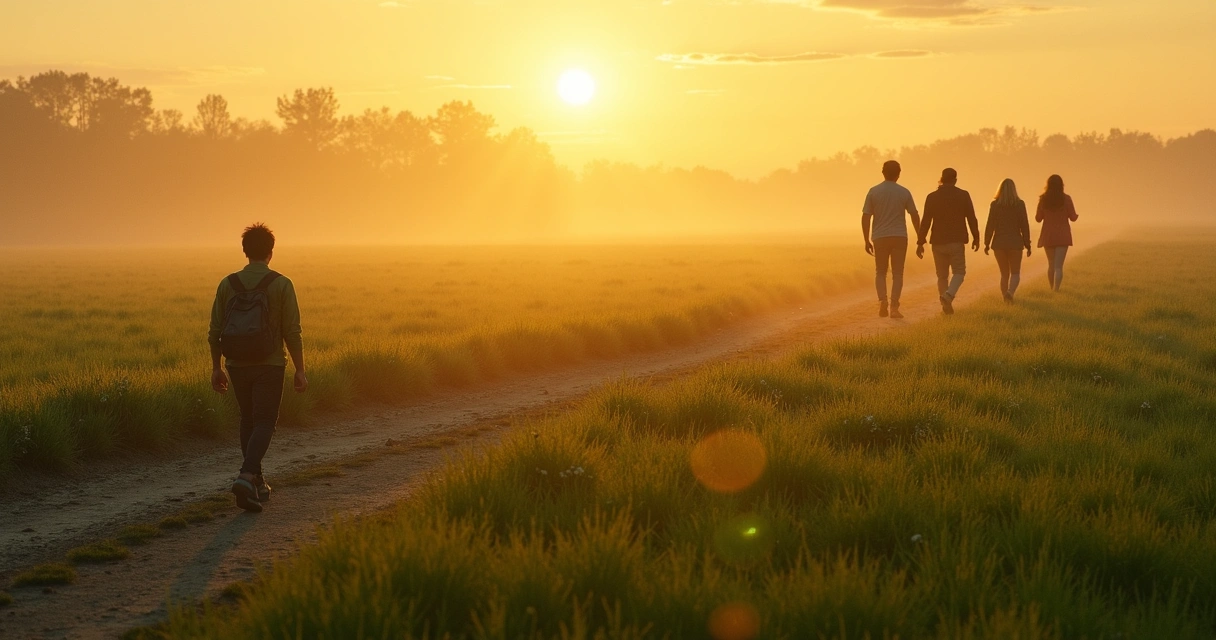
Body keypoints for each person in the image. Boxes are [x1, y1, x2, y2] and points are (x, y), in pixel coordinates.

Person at [208, 223, 308, 513]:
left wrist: (217, 367)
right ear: (271, 252)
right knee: (265, 422)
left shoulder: (228, 283)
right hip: (270, 364)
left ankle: (257, 483)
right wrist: (300, 370)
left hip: (236, 364)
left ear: (245, 251)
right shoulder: (281, 283)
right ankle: (246, 475)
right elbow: (293, 331)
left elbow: (214, 331)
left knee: (248, 421)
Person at [861, 160, 921, 319]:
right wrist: (920, 237)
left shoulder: (874, 191)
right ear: (899, 174)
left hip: (879, 237)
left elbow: (866, 216)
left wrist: (866, 239)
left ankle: (882, 300)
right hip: (900, 236)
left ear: (883, 172)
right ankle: (894, 306)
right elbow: (914, 215)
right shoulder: (904, 192)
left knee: (880, 272)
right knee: (898, 273)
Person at [917, 168, 979, 315]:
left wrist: (920, 242)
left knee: (942, 276)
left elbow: (925, 221)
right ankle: (948, 296)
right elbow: (971, 218)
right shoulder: (963, 195)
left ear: (942, 179)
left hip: (937, 242)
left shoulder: (932, 197)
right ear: (955, 180)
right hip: (956, 241)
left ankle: (945, 304)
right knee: (959, 273)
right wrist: (976, 237)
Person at [983, 179, 1033, 303]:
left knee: (1004, 274)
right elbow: (1024, 225)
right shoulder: (1020, 204)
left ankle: (1005, 299)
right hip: (1015, 243)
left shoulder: (995, 205)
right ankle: (1010, 293)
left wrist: (986, 243)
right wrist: (1028, 244)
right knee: (1015, 272)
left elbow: (990, 225)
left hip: (999, 243)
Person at [1036, 174, 1078, 291]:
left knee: (1051, 264)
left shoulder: (1043, 199)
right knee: (1059, 267)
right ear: (1061, 185)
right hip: (1063, 235)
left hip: (1048, 235)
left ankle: (1050, 287)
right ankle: (1056, 290)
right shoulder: (1067, 199)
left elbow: (1038, 218)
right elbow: (1073, 217)